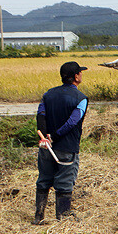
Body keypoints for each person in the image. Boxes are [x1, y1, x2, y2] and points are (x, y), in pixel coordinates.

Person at [34, 61, 89, 223]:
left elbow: (41, 115)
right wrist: (55, 136)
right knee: (64, 184)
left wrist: (45, 137)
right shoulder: (81, 99)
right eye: (80, 72)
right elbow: (73, 122)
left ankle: (39, 217)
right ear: (76, 77)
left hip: (46, 147)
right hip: (66, 148)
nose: (81, 75)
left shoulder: (48, 94)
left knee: (44, 179)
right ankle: (63, 220)